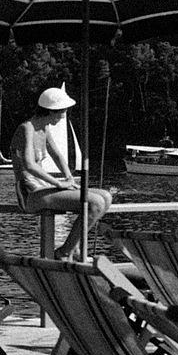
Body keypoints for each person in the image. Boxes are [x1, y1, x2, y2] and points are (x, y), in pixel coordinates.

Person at [10, 86, 112, 260]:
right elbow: (29, 164)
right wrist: (58, 183)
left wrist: (69, 177)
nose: (64, 115)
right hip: (30, 192)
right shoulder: (26, 128)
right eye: (62, 111)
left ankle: (75, 248)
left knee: (106, 197)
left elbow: (57, 155)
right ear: (51, 111)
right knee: (94, 203)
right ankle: (64, 252)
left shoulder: (43, 128)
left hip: (43, 188)